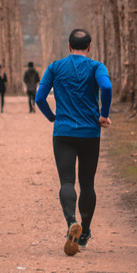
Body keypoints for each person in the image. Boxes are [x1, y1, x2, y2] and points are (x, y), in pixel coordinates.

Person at [35, 29, 112, 256]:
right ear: (89, 47)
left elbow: (39, 97)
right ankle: (85, 232)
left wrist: (51, 116)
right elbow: (106, 87)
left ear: (69, 47)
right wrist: (103, 114)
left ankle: (71, 221)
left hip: (63, 133)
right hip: (89, 133)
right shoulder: (97, 67)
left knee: (66, 181)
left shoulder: (55, 67)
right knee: (87, 184)